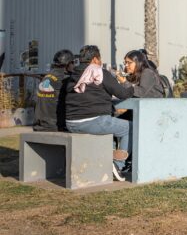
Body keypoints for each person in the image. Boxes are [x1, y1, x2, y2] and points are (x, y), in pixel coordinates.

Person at [61, 45, 133, 181]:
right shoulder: (99, 71)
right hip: (92, 121)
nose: (100, 62)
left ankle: (107, 161)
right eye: (100, 59)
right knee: (130, 127)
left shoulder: (74, 75)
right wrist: (129, 85)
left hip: (71, 123)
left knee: (110, 128)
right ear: (95, 59)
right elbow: (123, 93)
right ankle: (118, 165)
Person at [34, 49, 75, 132]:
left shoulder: (46, 77)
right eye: (73, 62)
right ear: (67, 64)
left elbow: (35, 100)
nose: (74, 65)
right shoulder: (65, 79)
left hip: (39, 125)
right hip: (55, 126)